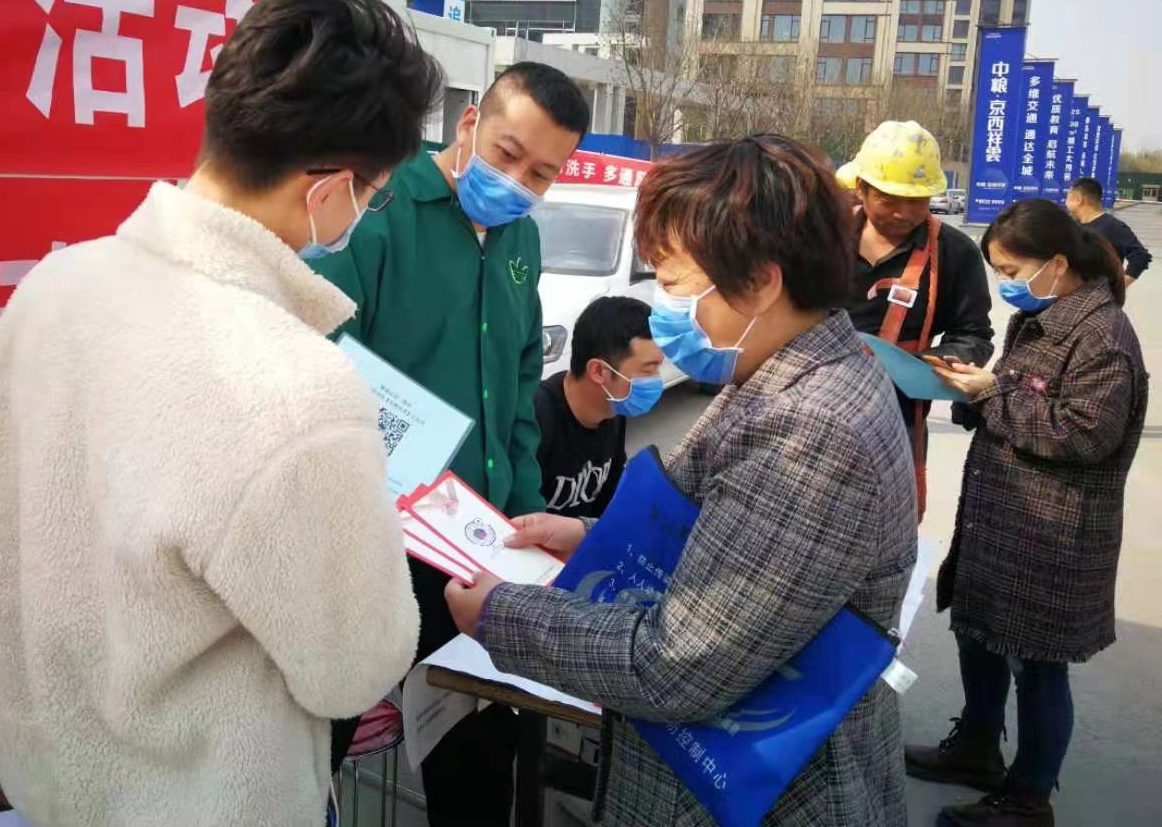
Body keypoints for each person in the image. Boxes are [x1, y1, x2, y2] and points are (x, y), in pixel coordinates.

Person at [0, 0, 440, 827]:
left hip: (51, 791)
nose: (367, 211)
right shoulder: (294, 385)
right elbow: (353, 670)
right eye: (376, 190)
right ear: (329, 190)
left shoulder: (50, 290)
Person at [446, 134, 917, 826]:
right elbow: (732, 532)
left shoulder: (814, 433)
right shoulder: (787, 373)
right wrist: (590, 535)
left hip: (763, 795)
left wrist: (500, 614)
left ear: (760, 282)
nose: (661, 308)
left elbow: (677, 666)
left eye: (671, 283)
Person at [312, 60, 590, 825]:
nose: (518, 182)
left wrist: (525, 522)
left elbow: (520, 392)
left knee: (476, 765)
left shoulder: (520, 239)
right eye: (507, 154)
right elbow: (323, 366)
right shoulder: (379, 210)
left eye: (542, 173)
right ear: (469, 123)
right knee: (317, 748)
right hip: (373, 544)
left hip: (478, 548)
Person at [909, 199, 1148, 827]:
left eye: (1013, 271)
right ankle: (977, 749)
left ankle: (1028, 796)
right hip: (1001, 518)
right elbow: (1013, 399)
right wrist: (968, 388)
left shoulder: (1102, 338)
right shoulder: (1035, 321)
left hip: (1054, 532)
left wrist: (992, 393)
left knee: (1038, 665)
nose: (1005, 284)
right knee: (979, 634)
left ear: (1057, 263)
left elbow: (1083, 434)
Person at [838, 119, 994, 516]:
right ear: (861, 188)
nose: (904, 212)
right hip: (814, 399)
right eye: (889, 198)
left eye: (918, 200)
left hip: (898, 412)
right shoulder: (824, 239)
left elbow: (973, 334)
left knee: (886, 515)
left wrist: (919, 368)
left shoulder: (955, 252)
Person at [535, 296, 664, 517]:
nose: (656, 379)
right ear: (598, 371)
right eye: (648, 370)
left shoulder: (613, 411)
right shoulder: (536, 416)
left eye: (658, 367)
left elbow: (608, 502)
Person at [1065, 176, 1151, 286]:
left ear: (1078, 200)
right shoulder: (1073, 226)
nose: (1066, 203)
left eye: (1067, 197)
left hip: (1099, 295)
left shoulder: (1113, 227)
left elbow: (1140, 256)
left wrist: (1118, 287)